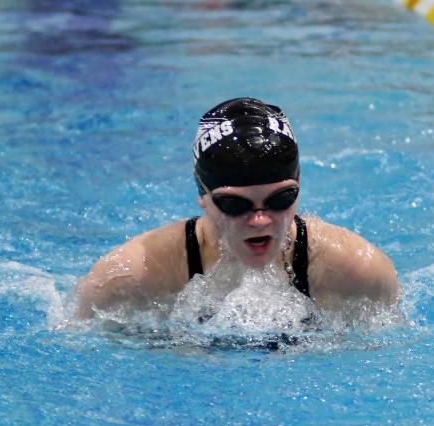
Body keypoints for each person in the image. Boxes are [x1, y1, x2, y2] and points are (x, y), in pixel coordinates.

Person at [74, 97, 400, 321]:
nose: (260, 219)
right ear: (202, 195)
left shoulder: (359, 273)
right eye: (235, 204)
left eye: (280, 199)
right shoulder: (131, 278)